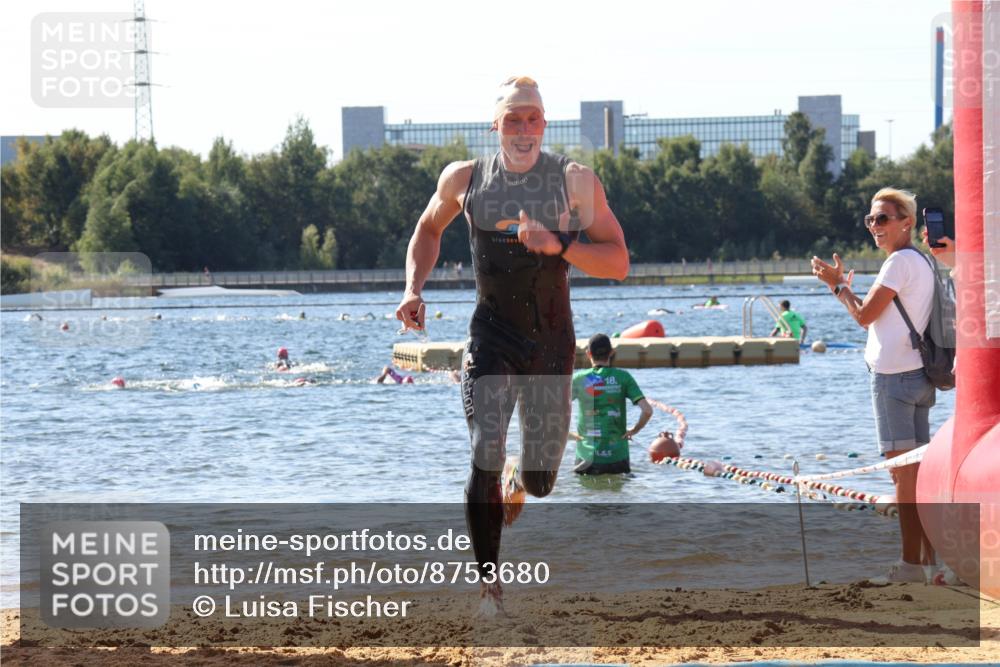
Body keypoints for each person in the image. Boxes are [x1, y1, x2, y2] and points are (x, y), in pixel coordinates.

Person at [394, 75, 629, 616]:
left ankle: (521, 478)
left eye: (533, 119)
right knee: (484, 449)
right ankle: (489, 590)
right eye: (513, 119)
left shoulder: (575, 182)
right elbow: (427, 230)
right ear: (495, 126)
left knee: (543, 481)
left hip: (550, 343)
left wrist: (559, 244)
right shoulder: (465, 178)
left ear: (544, 125)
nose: (524, 130)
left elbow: (617, 261)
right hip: (490, 338)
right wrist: (413, 288)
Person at [811, 187, 937, 584]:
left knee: (902, 479)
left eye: (883, 219)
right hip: (919, 376)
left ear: (907, 222)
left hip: (894, 380)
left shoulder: (898, 263)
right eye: (870, 220)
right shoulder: (923, 261)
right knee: (915, 478)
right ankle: (927, 561)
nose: (874, 227)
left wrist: (837, 286)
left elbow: (865, 317)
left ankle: (910, 567)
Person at [569, 333, 653, 475]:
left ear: (588, 353)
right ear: (612, 352)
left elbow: (552, 409)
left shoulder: (579, 379)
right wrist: (634, 430)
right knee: (618, 494)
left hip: (587, 457)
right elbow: (647, 411)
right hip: (618, 457)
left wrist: (567, 435)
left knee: (585, 495)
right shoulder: (623, 377)